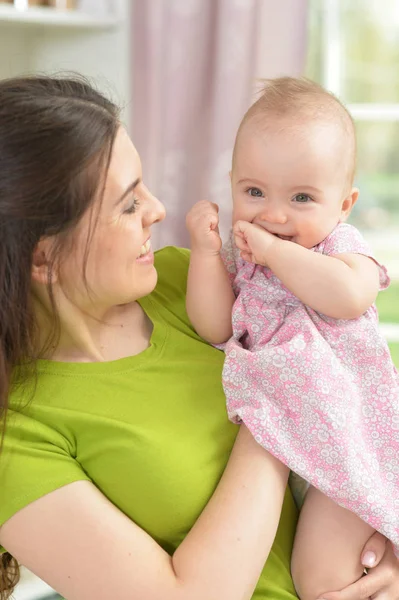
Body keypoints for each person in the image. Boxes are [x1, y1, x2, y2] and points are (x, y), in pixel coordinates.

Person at [0, 75, 397, 600]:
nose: (158, 209)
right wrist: (285, 402)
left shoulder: (185, 281)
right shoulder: (17, 436)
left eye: (143, 186)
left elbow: (355, 369)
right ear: (44, 259)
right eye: (127, 204)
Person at [186, 77, 399, 600]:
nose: (274, 215)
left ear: (343, 204)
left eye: (302, 197)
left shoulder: (338, 246)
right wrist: (205, 254)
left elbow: (349, 296)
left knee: (324, 577)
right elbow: (213, 325)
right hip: (280, 436)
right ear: (232, 183)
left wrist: (279, 255)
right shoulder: (243, 260)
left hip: (348, 439)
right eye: (254, 192)